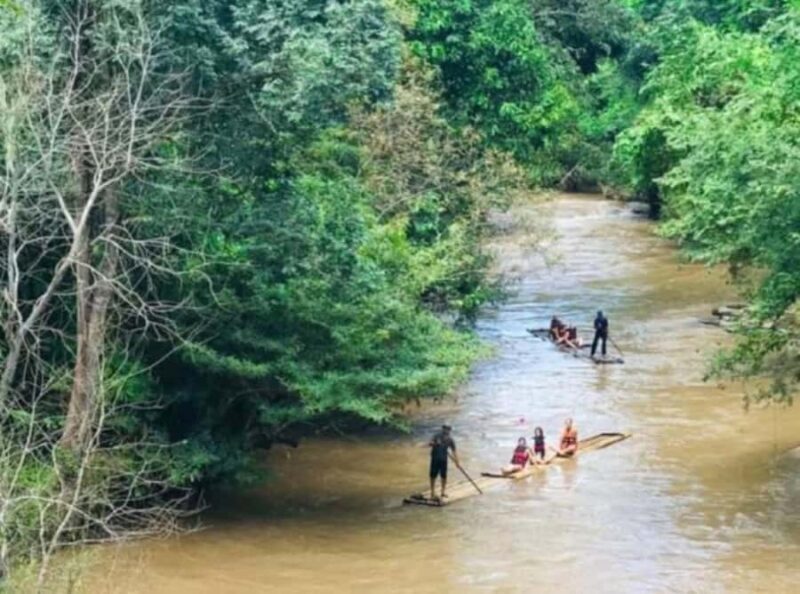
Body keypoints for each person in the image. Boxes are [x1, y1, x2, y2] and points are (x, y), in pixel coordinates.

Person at [429, 425, 458, 500]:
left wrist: (457, 461)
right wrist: (434, 443)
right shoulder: (436, 436)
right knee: (433, 475)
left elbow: (454, 451)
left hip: (444, 460)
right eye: (445, 429)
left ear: (450, 430)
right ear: (443, 429)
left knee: (444, 476)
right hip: (435, 458)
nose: (447, 431)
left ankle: (443, 492)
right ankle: (432, 492)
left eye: (448, 429)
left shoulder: (450, 440)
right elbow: (430, 443)